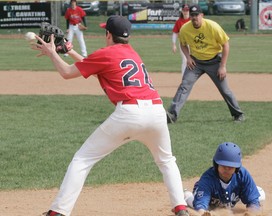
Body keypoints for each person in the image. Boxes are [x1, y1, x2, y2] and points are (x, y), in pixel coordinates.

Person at [32, 15, 189, 216]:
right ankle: (181, 208)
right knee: (167, 161)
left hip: (130, 113)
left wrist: (52, 53)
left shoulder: (106, 53)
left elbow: (67, 73)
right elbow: (98, 69)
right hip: (157, 112)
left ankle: (58, 211)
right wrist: (70, 51)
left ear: (108, 34)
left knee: (82, 160)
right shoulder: (132, 54)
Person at [166, 4, 244, 123]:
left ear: (202, 15)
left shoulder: (212, 26)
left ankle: (238, 114)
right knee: (184, 85)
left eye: (196, 15)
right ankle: (172, 115)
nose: (194, 17)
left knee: (224, 89)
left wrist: (222, 66)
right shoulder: (185, 29)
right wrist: (188, 57)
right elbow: (182, 44)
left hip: (214, 61)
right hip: (195, 62)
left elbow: (225, 44)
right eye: (192, 15)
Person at [184, 142, 265, 215]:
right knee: (201, 206)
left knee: (261, 196)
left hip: (230, 199)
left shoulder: (242, 175)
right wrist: (202, 213)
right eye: (223, 166)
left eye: (230, 167)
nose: (226, 169)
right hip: (210, 202)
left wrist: (251, 213)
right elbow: (200, 205)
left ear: (237, 168)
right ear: (216, 165)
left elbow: (253, 202)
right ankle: (187, 196)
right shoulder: (208, 178)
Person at [172, 4, 191, 75]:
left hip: (193, 43)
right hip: (183, 44)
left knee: (194, 60)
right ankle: (184, 77)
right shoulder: (179, 21)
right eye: (184, 10)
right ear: (182, 11)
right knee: (185, 60)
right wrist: (174, 44)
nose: (186, 12)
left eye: (187, 10)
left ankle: (191, 77)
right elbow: (175, 33)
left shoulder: (192, 20)